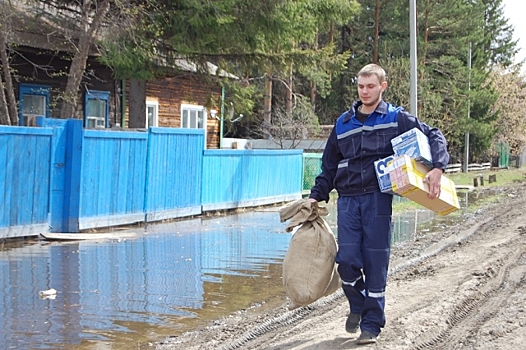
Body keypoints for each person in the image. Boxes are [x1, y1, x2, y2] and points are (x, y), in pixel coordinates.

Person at [308, 63, 449, 345]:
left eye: (371, 86)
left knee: (375, 263)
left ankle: (371, 324)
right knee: (346, 261)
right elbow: (329, 167)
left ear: (382, 86)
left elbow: (434, 134)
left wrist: (437, 167)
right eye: (361, 86)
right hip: (347, 200)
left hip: (377, 199)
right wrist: (315, 195)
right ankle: (357, 304)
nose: (365, 91)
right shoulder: (342, 124)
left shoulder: (396, 118)